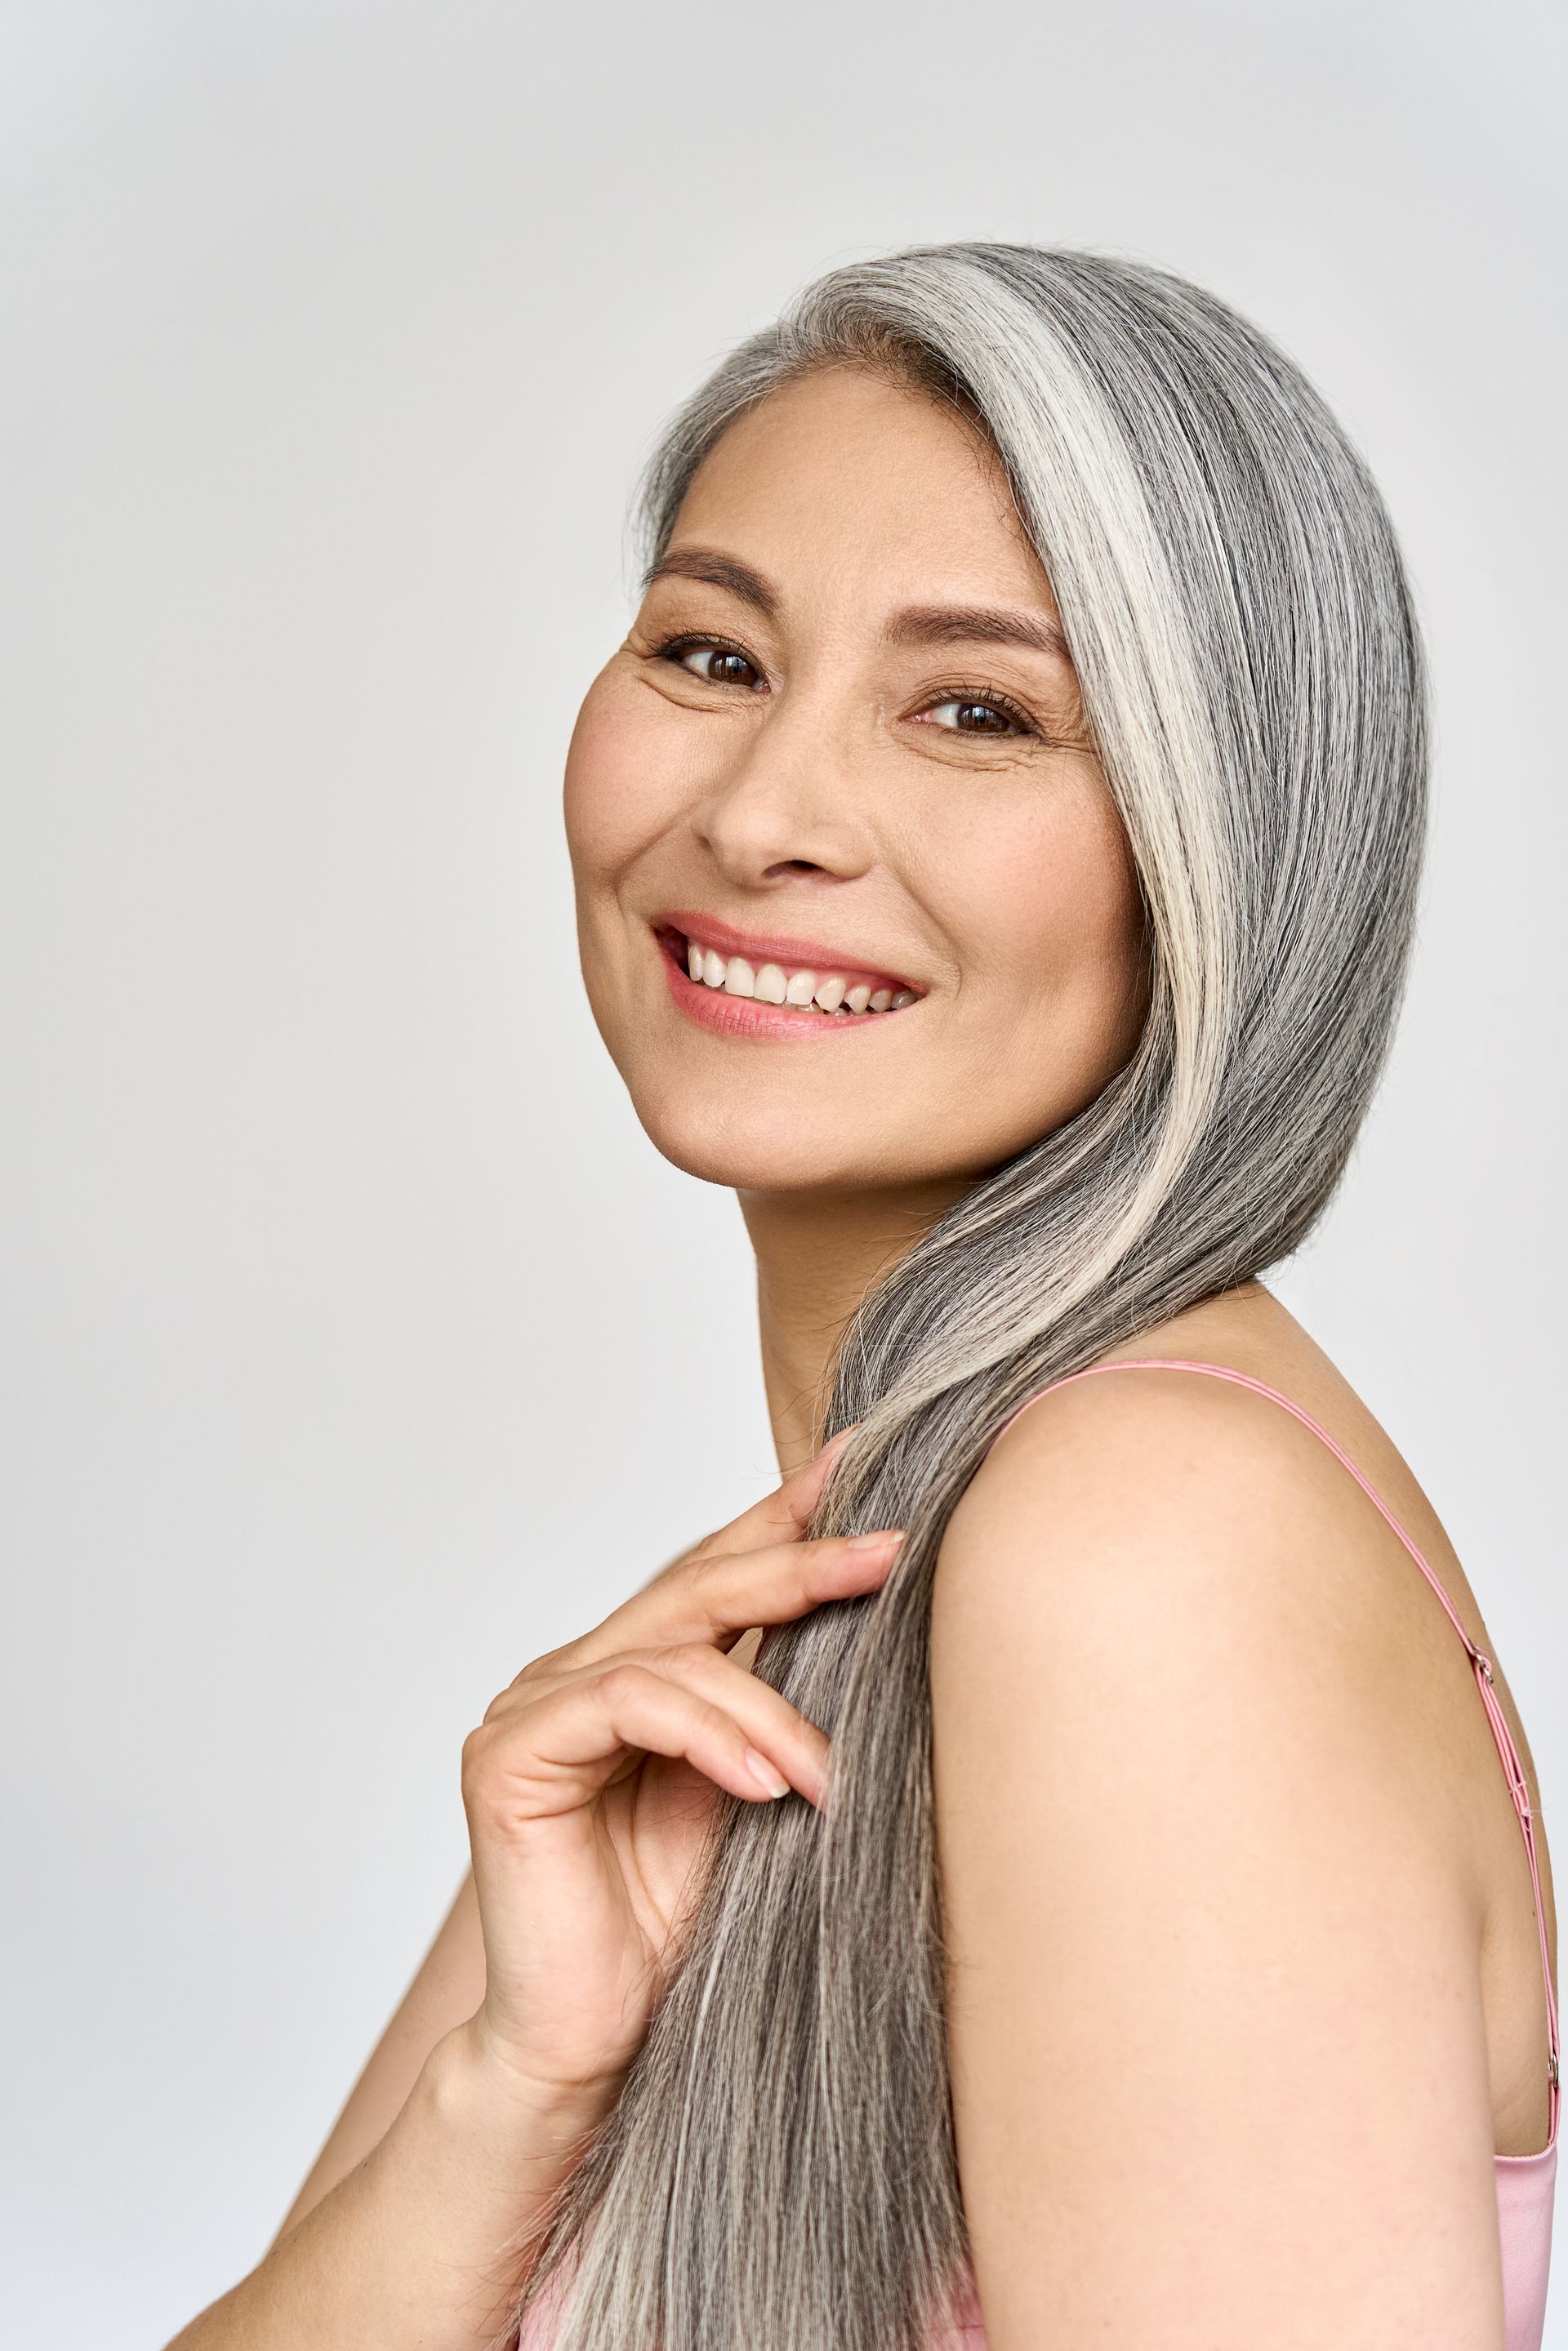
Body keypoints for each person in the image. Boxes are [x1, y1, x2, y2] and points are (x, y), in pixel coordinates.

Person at [165, 243, 1558, 2351]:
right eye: (713, 656)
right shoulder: (796, 1612)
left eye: (977, 710)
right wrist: (511, 2084)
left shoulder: (1140, 1553)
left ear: (1223, 847)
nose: (765, 812)